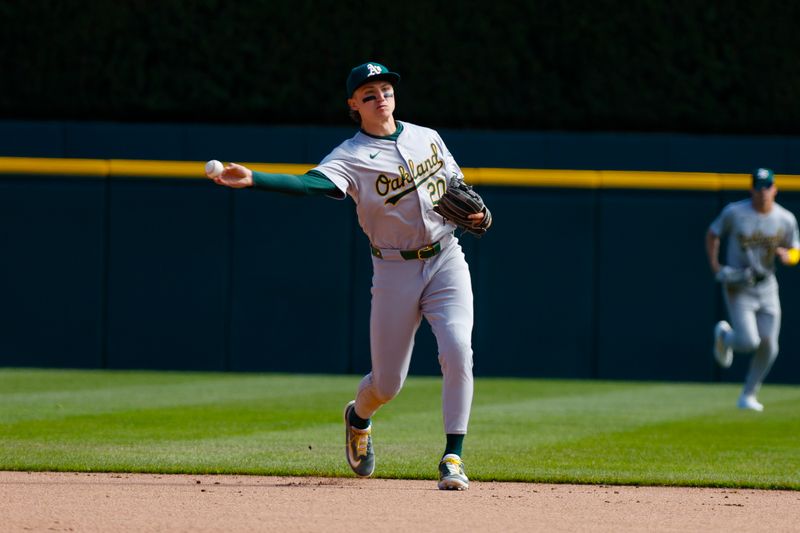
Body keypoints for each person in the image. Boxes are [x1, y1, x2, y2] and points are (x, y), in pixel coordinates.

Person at [208, 62, 490, 490]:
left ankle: (453, 456)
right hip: (395, 269)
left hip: (447, 258)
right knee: (387, 384)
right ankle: (358, 417)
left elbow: (457, 184)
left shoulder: (426, 137)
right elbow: (311, 185)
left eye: (386, 89)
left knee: (457, 349)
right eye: (369, 93)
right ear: (354, 105)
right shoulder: (350, 156)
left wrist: (475, 211)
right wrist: (254, 180)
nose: (381, 98)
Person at [706, 167, 799, 411]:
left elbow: (796, 248)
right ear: (751, 189)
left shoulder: (785, 218)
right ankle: (725, 337)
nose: (763, 192)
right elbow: (713, 233)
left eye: (767, 187)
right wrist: (716, 266)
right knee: (748, 341)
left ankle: (748, 394)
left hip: (767, 285)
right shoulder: (735, 212)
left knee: (770, 345)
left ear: (775, 189)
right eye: (758, 187)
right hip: (739, 284)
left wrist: (789, 256)